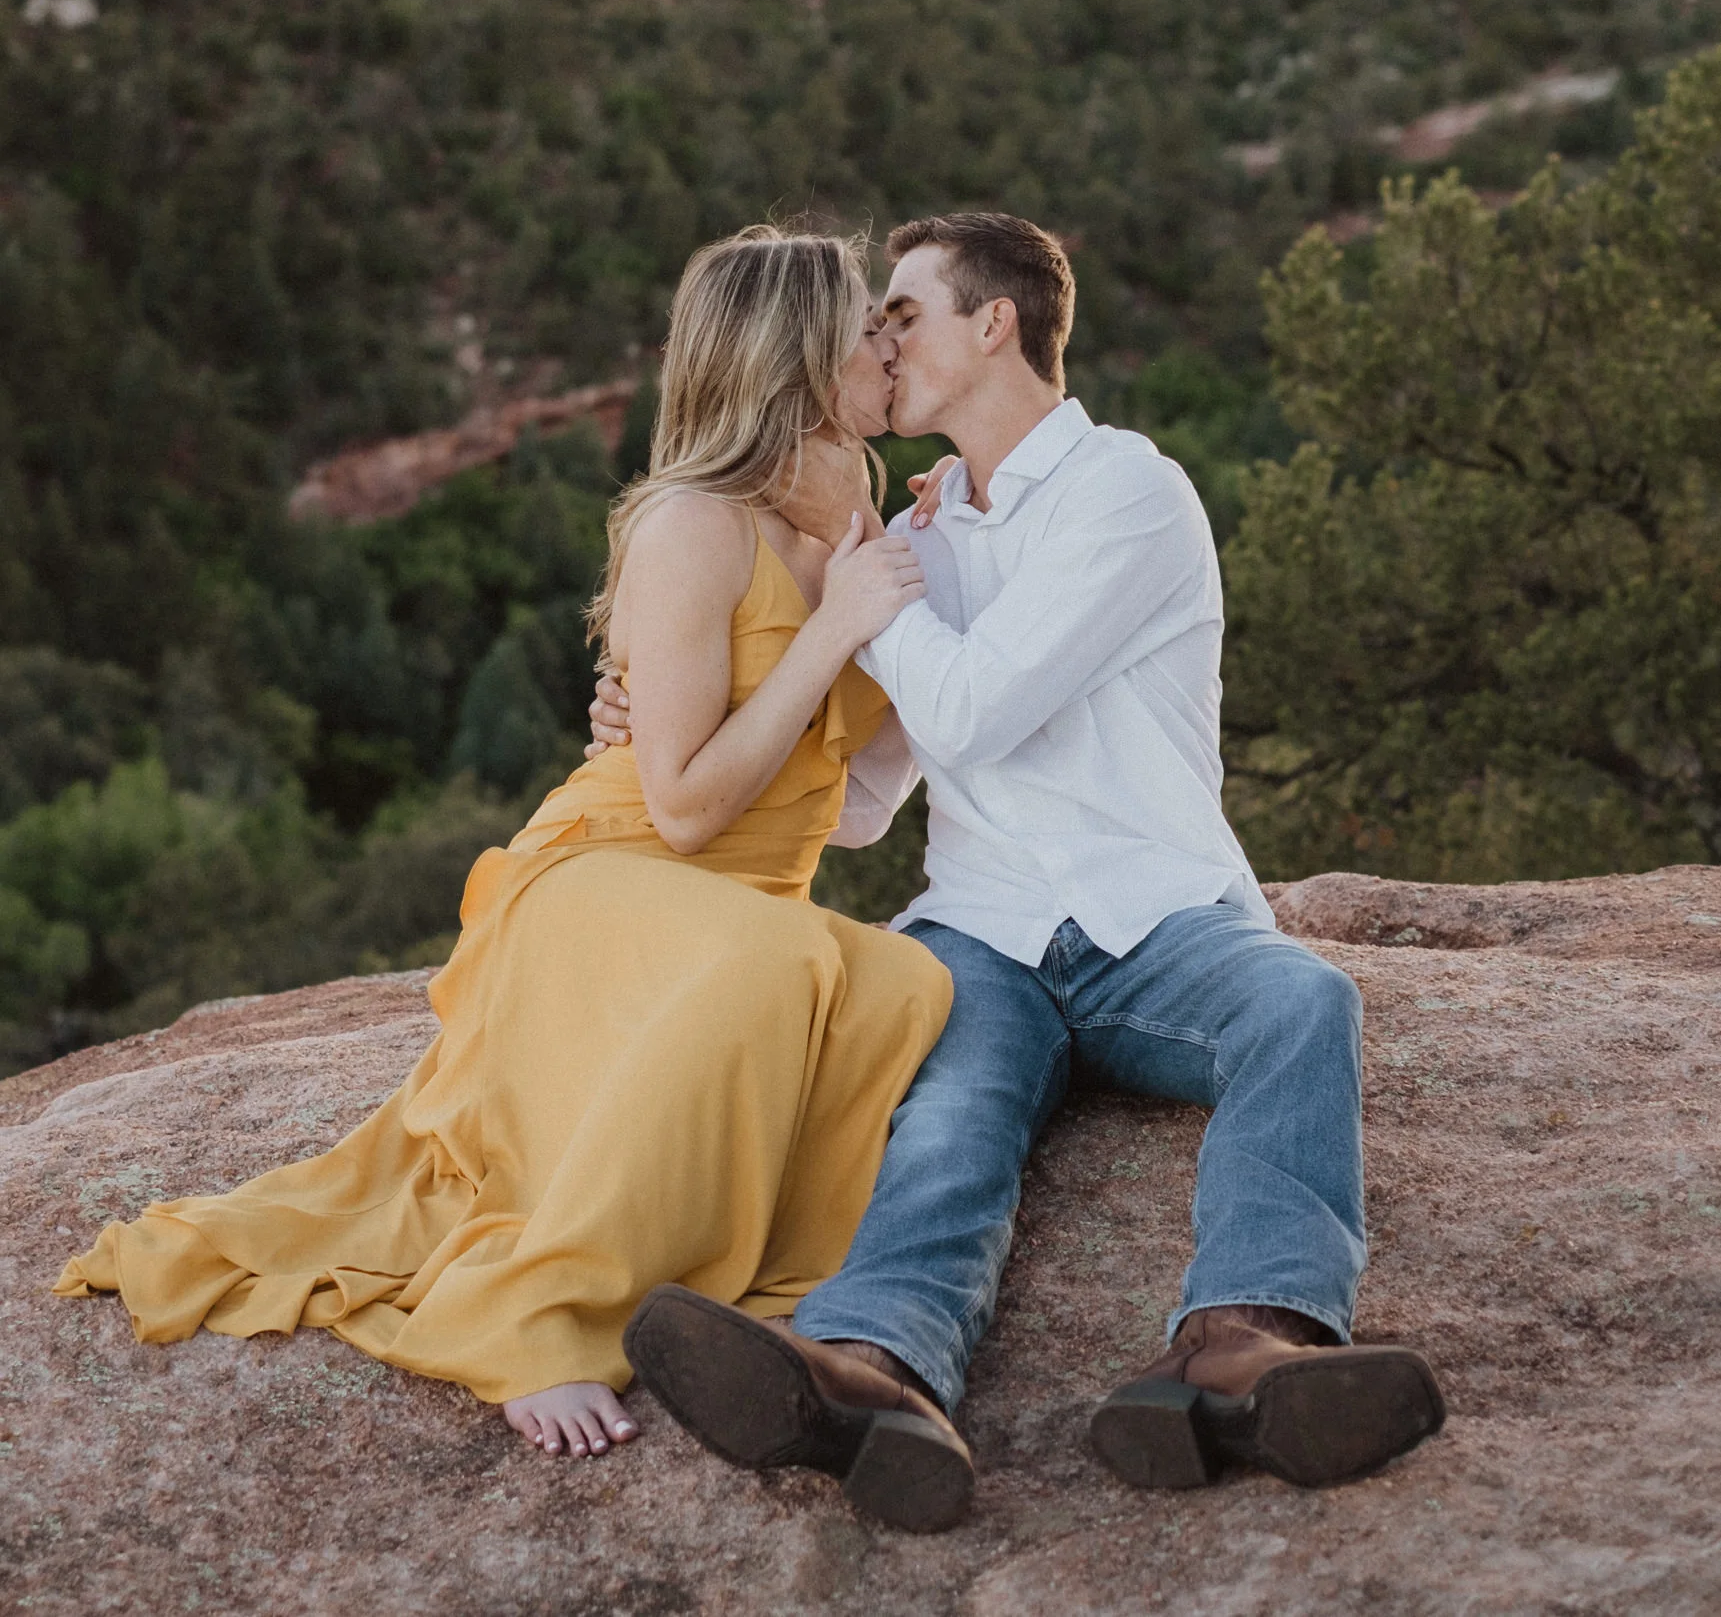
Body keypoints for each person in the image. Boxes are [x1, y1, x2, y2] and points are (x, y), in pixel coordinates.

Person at [55, 226, 964, 1514]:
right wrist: (835, 632)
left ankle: (738, 1289)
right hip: (610, 875)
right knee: (778, 958)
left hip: (743, 903)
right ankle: (534, 1312)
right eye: (869, 329)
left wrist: (925, 613)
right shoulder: (694, 525)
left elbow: (852, 807)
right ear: (799, 355)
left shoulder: (860, 509)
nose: (888, 349)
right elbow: (687, 808)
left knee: (903, 987)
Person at [600, 212, 1445, 1529]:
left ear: (993, 324)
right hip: (983, 926)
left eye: (905, 314)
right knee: (953, 1108)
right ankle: (874, 1371)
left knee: (1301, 1002)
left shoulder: (1126, 490)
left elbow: (979, 709)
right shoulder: (920, 541)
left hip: (1151, 921)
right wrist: (668, 723)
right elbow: (868, 802)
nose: (879, 342)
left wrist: (875, 585)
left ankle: (1243, 1348)